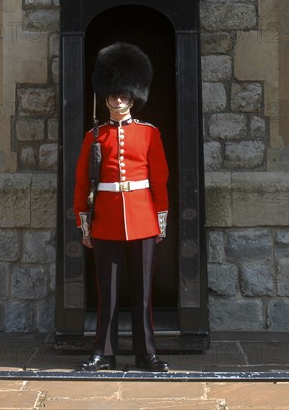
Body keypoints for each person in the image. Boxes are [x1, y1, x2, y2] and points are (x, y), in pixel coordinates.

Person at [74, 42, 169, 372]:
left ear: (133, 96)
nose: (118, 99)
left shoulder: (149, 134)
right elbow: (82, 183)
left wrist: (161, 220)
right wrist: (84, 222)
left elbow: (159, 180)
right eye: (113, 94)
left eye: (123, 94)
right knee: (108, 294)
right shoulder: (94, 136)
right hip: (106, 221)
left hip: (143, 220)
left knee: (143, 294)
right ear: (106, 96)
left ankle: (147, 353)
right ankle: (104, 352)